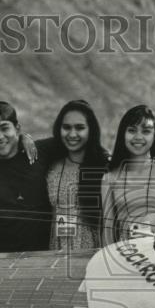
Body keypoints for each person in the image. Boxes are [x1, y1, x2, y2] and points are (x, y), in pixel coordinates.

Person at [0, 101, 53, 253]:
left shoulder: (41, 152)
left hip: (43, 259)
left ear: (18, 128)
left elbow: (79, 143)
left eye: (5, 128)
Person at [101, 105, 155, 243]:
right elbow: (108, 229)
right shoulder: (109, 178)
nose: (138, 137)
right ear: (123, 134)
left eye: (146, 131)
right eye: (132, 130)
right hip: (128, 255)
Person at [45, 100, 110, 250]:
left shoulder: (104, 166)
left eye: (80, 128)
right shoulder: (52, 167)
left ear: (91, 130)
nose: (72, 134)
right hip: (58, 251)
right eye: (66, 127)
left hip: (93, 252)